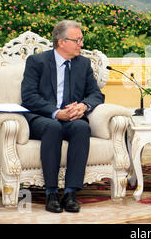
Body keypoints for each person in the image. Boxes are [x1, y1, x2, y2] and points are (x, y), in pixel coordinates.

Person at [21, 20, 105, 213]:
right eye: (77, 40)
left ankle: (70, 193)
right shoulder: (37, 62)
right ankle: (51, 193)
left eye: (81, 40)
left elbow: (96, 94)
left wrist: (84, 106)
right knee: (53, 126)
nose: (81, 44)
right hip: (42, 118)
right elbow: (29, 97)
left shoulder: (83, 64)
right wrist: (57, 113)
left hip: (71, 119)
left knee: (82, 127)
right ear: (61, 42)